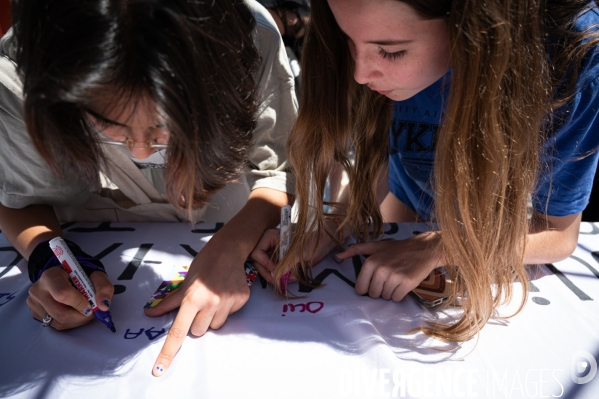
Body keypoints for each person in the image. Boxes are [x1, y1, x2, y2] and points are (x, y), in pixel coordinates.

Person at [251, 0, 599, 342]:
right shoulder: (372, 42)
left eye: (390, 52)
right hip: (403, 199)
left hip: (493, 226)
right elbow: (378, 154)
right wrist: (338, 223)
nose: (360, 74)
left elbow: (557, 234)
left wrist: (441, 246)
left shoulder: (572, 57)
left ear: (471, 27)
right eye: (348, 41)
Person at [0, 0, 296, 376]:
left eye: (164, 125)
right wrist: (47, 257)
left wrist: (231, 246)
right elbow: (19, 198)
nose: (141, 149)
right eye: (108, 123)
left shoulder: (250, 40)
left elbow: (279, 170)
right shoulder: (20, 71)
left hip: (231, 216)